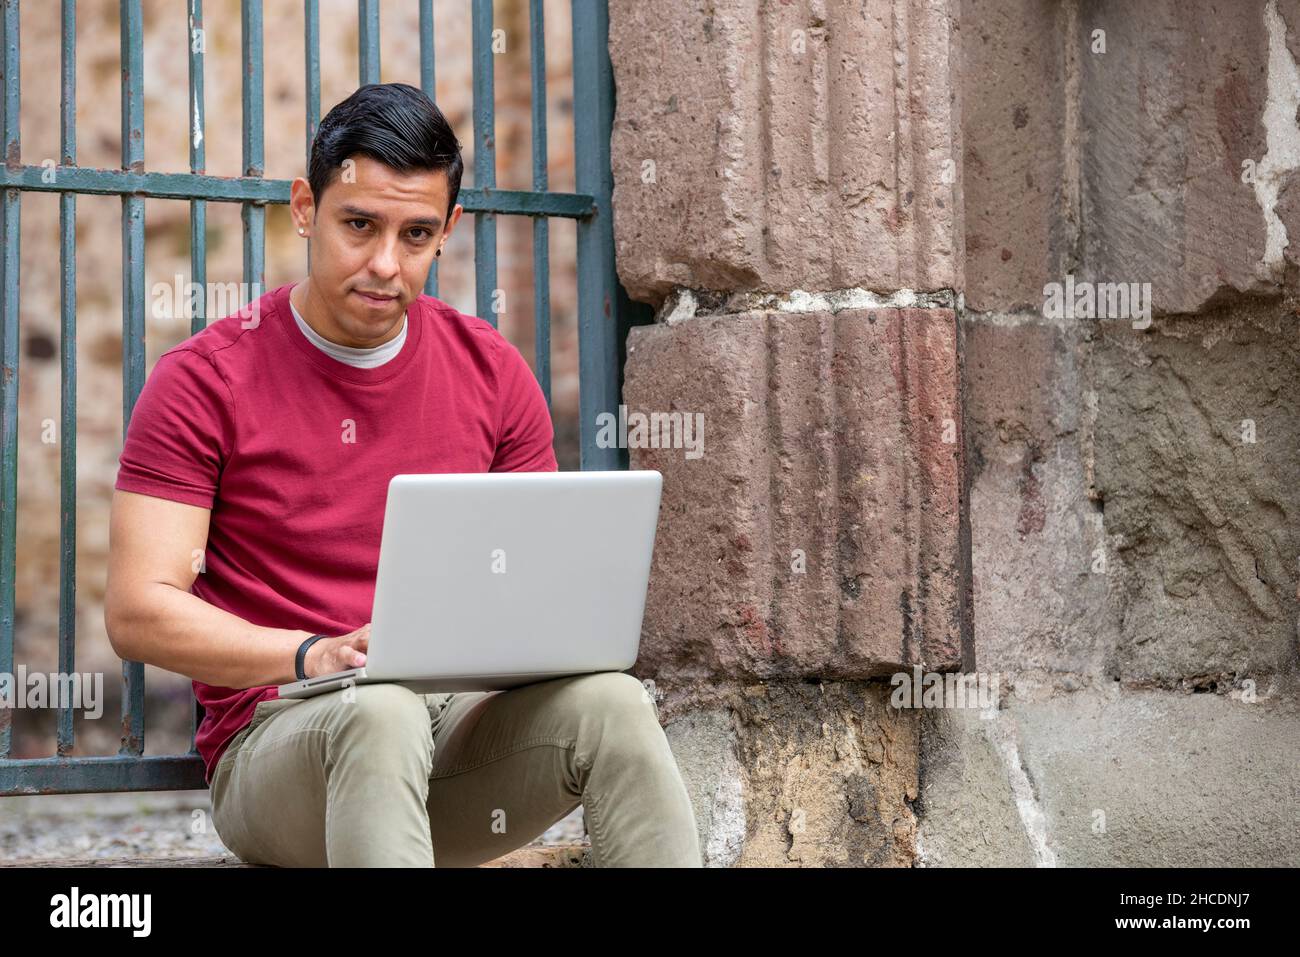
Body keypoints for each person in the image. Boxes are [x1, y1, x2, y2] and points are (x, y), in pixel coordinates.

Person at [104, 82, 702, 868]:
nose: (385, 263)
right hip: (281, 743)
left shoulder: (491, 371)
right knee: (377, 710)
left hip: (450, 741)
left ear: (448, 229)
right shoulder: (204, 379)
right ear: (305, 209)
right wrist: (310, 652)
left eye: (416, 234)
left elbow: (535, 587)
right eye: (359, 225)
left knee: (616, 704)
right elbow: (139, 611)